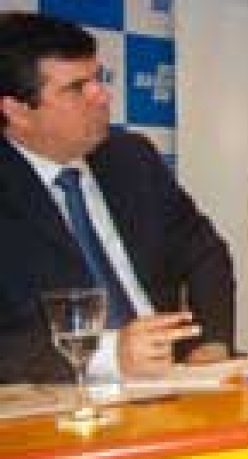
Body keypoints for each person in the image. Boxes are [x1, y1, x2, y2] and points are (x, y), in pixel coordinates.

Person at [0, 12, 234, 383]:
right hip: (66, 393)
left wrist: (212, 342)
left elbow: (205, 252)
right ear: (17, 112)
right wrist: (108, 355)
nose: (102, 95)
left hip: (176, 377)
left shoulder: (130, 158)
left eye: (98, 78)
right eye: (77, 88)